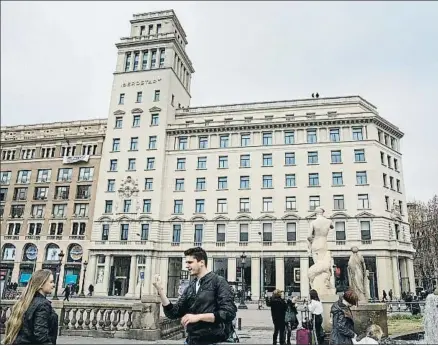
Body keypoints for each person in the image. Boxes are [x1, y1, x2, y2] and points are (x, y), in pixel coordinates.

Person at [152, 247, 237, 345]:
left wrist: (198, 317)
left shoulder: (219, 282)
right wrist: (160, 291)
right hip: (192, 341)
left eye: (190, 262)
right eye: (186, 263)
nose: (187, 266)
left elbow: (228, 313)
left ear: (201, 262)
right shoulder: (191, 286)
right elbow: (173, 312)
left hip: (214, 341)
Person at [3, 269, 58, 345]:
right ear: (41, 284)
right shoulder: (43, 304)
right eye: (51, 282)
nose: (53, 285)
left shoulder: (26, 301)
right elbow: (41, 336)